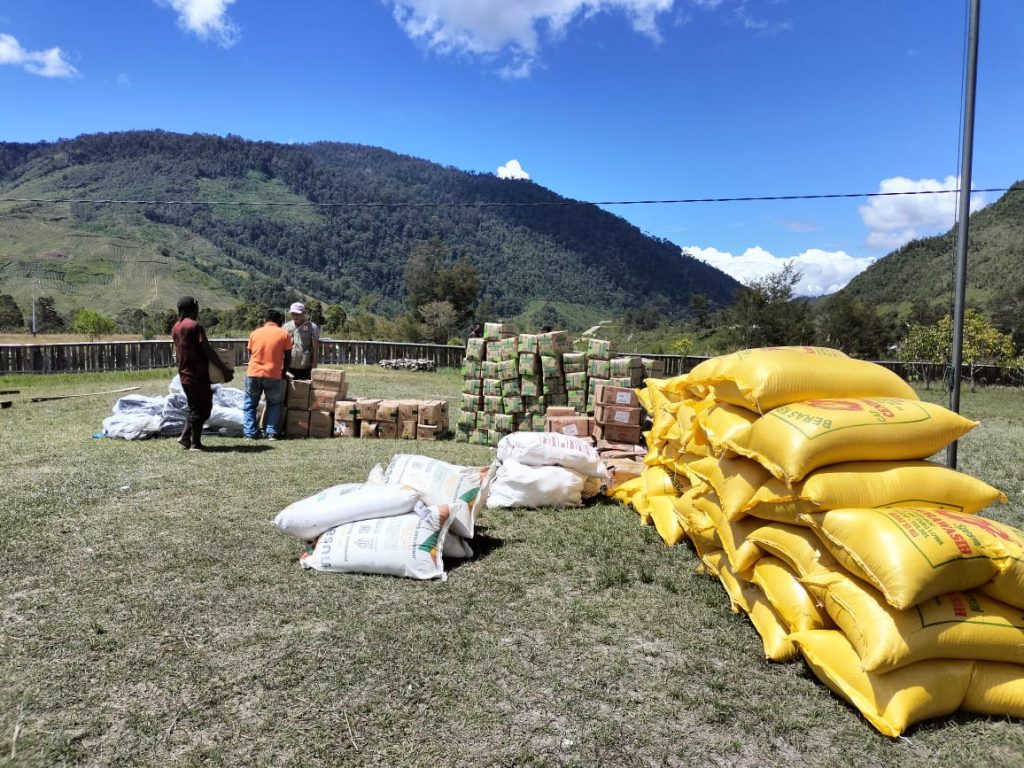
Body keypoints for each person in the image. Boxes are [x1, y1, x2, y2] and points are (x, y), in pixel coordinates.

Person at [171, 295, 233, 451]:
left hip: (184, 374)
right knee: (202, 408)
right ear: (193, 309)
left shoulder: (176, 328)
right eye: (197, 308)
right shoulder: (195, 326)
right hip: (197, 375)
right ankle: (195, 443)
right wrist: (223, 370)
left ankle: (185, 437)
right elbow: (208, 350)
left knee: (193, 406)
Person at [243, 308, 292, 440]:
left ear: (266, 320)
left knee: (250, 404)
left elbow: (250, 354)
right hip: (273, 374)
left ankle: (250, 433)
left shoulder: (254, 333)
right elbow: (288, 357)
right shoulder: (284, 334)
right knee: (273, 404)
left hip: (253, 373)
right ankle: (271, 433)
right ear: (279, 321)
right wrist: (283, 372)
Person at [282, 301, 320, 380]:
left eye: (298, 314)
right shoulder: (286, 327)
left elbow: (315, 349)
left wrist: (314, 368)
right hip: (289, 366)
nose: (295, 316)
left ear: (303, 314)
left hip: (305, 367)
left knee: (303, 390)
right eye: (293, 314)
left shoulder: (312, 327)